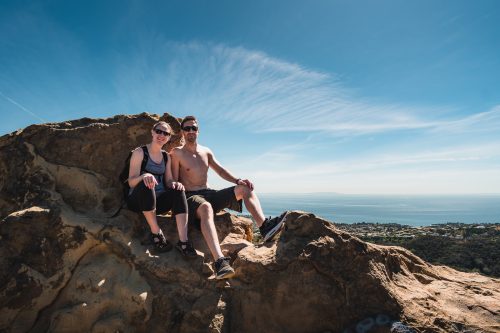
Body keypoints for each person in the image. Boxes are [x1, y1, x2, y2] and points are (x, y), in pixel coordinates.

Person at [171, 116, 285, 279]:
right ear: (182, 132)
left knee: (245, 189)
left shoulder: (206, 151)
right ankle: (220, 262)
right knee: (206, 208)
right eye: (187, 128)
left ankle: (264, 227)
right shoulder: (177, 153)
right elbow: (174, 180)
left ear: (198, 131)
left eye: (193, 128)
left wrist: (238, 180)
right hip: (190, 197)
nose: (190, 131)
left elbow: (221, 171)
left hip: (208, 193)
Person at [126, 121, 197, 258]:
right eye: (159, 131)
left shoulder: (165, 156)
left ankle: (183, 242)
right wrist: (144, 176)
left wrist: (175, 184)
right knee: (147, 183)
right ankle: (156, 232)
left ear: (169, 137)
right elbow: (131, 182)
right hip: (138, 202)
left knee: (178, 189)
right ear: (152, 132)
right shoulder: (140, 152)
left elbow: (169, 180)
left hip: (158, 203)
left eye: (166, 133)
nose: (162, 135)